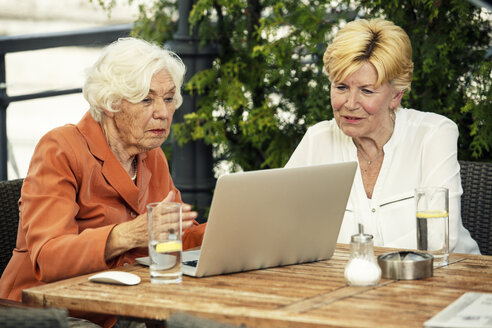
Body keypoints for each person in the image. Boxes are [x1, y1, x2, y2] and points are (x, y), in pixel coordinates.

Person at [0, 37, 206, 327]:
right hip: (46, 313)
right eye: (147, 99)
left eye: (169, 98)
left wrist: (226, 231)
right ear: (110, 104)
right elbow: (49, 257)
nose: (163, 112)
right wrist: (127, 236)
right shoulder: (60, 147)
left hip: (123, 305)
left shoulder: (151, 155)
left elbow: (174, 237)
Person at [285, 18, 480, 254]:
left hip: (447, 279)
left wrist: (361, 257)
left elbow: (438, 237)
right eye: (341, 87)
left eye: (366, 91)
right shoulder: (317, 140)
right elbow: (280, 222)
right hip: (348, 282)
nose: (350, 103)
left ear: (396, 96)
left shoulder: (434, 133)